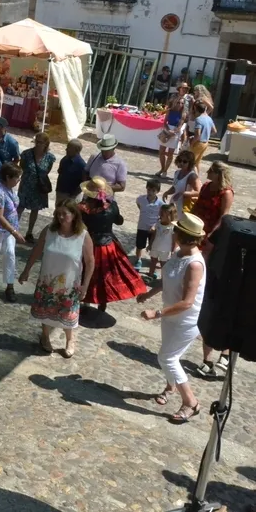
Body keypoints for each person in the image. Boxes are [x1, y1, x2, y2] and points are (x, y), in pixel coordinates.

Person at [137, 213, 207, 423]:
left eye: (176, 231)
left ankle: (191, 402)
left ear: (184, 236)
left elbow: (187, 302)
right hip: (171, 316)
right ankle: (170, 387)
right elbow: (166, 280)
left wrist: (156, 313)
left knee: (167, 358)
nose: (173, 233)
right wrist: (148, 294)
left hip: (185, 321)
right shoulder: (178, 254)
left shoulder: (194, 265)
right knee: (168, 355)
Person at [20, 200, 94, 357]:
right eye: (58, 214)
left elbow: (90, 262)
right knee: (45, 308)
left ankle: (70, 340)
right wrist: (26, 270)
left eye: (64, 214)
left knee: (68, 313)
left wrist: (85, 285)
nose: (60, 217)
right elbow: (36, 250)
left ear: (74, 215)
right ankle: (45, 336)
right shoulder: (49, 231)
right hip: (48, 280)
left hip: (69, 284)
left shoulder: (83, 235)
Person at [78, 177, 146, 312]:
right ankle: (102, 303)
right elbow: (119, 221)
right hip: (108, 245)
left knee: (85, 272)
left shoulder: (83, 208)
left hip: (89, 244)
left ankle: (85, 301)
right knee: (105, 276)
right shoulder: (112, 206)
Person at [0, 162, 26, 303]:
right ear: (8, 177)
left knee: (10, 254)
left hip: (9, 229)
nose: (19, 180)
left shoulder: (9, 188)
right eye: (17, 177)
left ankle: (10, 286)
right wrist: (15, 232)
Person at [17, 132, 56, 242]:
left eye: (40, 142)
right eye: (36, 142)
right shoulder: (26, 154)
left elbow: (47, 171)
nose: (37, 144)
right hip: (26, 185)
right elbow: (21, 167)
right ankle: (13, 228)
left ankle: (29, 232)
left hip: (38, 187)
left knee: (35, 210)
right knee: (19, 207)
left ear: (46, 144)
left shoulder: (50, 158)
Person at [192, 160, 234, 254]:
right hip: (197, 226)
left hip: (210, 229)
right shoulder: (206, 185)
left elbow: (224, 216)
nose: (207, 172)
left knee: (204, 254)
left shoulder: (226, 193)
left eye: (211, 171)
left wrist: (212, 233)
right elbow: (197, 204)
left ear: (219, 174)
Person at [157, 86, 189, 177]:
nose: (180, 104)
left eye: (182, 103)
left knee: (170, 153)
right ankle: (162, 168)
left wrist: (173, 132)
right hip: (167, 129)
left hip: (175, 132)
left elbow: (180, 125)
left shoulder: (183, 114)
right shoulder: (170, 111)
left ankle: (165, 170)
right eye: (178, 102)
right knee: (161, 151)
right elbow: (165, 122)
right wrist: (168, 130)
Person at [134, 179, 164, 270]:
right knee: (140, 245)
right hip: (142, 226)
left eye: (153, 190)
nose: (150, 192)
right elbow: (139, 205)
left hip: (153, 229)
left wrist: (155, 225)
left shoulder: (160, 204)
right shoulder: (141, 199)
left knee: (153, 246)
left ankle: (153, 261)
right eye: (149, 190)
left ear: (157, 191)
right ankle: (138, 259)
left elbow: (162, 216)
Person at [161, 149, 200, 214]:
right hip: (174, 204)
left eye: (185, 161)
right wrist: (167, 192)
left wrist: (183, 193)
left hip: (184, 207)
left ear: (190, 163)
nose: (181, 163)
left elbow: (199, 192)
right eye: (180, 160)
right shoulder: (177, 173)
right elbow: (174, 187)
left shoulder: (192, 176)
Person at [148, 203, 176, 281]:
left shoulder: (172, 227)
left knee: (163, 265)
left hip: (165, 250)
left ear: (169, 216)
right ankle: (150, 275)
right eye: (160, 213)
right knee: (153, 262)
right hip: (155, 247)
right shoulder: (158, 224)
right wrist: (150, 244)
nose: (160, 215)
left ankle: (163, 279)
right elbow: (154, 235)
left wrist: (173, 250)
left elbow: (174, 240)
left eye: (162, 214)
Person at [54, 139, 86, 205]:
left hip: (72, 196)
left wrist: (73, 196)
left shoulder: (81, 165)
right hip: (61, 192)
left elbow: (83, 183)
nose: (66, 149)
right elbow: (60, 171)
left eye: (69, 148)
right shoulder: (65, 159)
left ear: (76, 150)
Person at [187, 101, 215, 174]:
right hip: (205, 143)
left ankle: (193, 178)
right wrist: (206, 134)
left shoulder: (198, 119)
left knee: (191, 163)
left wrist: (192, 143)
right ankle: (197, 177)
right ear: (205, 109)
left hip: (198, 143)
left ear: (196, 109)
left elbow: (197, 134)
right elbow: (214, 131)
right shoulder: (209, 118)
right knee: (197, 162)